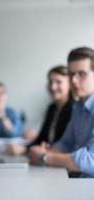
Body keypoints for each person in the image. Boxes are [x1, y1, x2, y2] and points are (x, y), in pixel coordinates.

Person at [30, 47, 94, 177]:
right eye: (71, 74)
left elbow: (90, 160)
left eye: (82, 74)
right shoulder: (78, 106)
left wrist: (45, 157)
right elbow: (65, 143)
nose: (74, 81)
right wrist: (50, 151)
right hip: (76, 181)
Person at [8, 66, 73, 155]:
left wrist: (24, 150)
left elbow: (66, 145)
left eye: (58, 82)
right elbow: (42, 139)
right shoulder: (52, 108)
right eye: (50, 82)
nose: (53, 87)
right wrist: (23, 148)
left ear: (70, 84)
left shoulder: (75, 109)